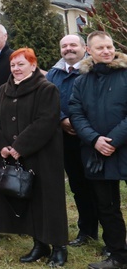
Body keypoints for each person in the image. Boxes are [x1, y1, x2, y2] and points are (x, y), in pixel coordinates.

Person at [0, 48, 68, 266]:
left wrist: (19, 146)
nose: (16, 68)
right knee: (29, 202)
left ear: (33, 66)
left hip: (43, 157)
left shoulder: (46, 89)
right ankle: (39, 245)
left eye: (21, 64)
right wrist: (2, 146)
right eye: (13, 65)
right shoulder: (3, 90)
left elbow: (46, 121)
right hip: (14, 157)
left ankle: (59, 247)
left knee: (49, 202)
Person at [69, 32, 127, 269]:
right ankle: (118, 256)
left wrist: (112, 141)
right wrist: (94, 140)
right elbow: (76, 112)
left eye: (109, 46)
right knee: (107, 207)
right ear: (89, 51)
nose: (106, 51)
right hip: (96, 153)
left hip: (122, 147)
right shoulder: (81, 81)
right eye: (100, 48)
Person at [46, 34, 98, 248]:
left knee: (98, 187)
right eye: (64, 46)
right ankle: (87, 231)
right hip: (65, 140)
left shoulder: (94, 70)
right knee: (78, 186)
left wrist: (79, 123)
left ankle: (109, 236)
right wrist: (62, 119)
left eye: (73, 45)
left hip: (92, 138)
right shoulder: (53, 74)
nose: (68, 49)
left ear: (84, 48)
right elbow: (46, 102)